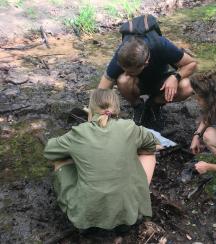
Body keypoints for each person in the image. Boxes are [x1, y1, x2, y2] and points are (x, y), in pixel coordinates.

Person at [44, 89, 160, 241]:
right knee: (148, 154)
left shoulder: (78, 133)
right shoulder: (130, 127)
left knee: (60, 160)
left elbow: (50, 151)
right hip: (129, 215)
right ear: (116, 109)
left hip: (85, 218)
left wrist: (76, 155)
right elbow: (153, 144)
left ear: (90, 109)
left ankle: (85, 223)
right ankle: (135, 202)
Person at [98, 35, 197, 129]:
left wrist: (176, 77)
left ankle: (154, 104)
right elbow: (101, 92)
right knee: (123, 79)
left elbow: (192, 63)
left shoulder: (161, 45)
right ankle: (138, 105)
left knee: (187, 86)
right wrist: (97, 116)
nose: (126, 72)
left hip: (161, 81)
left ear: (145, 64)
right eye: (124, 70)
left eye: (130, 71)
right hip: (137, 85)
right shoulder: (122, 54)